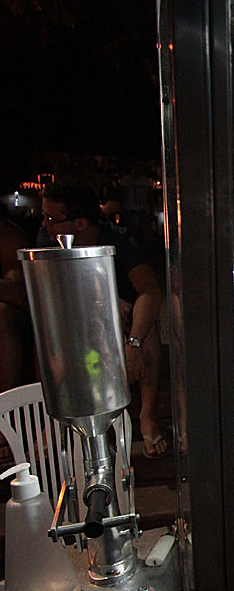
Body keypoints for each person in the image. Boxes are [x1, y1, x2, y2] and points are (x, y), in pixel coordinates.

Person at [36, 182, 168, 458]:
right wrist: (103, 302)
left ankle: (147, 416)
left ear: (81, 223)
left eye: (51, 218)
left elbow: (150, 292)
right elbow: (52, 297)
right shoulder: (46, 242)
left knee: (145, 323)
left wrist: (133, 345)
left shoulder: (117, 240)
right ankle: (60, 419)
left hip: (123, 323)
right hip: (77, 320)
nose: (45, 224)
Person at [0, 212, 31, 392]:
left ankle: (4, 406)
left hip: (14, 318)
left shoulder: (7, 235)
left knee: (2, 314)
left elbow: (17, 291)